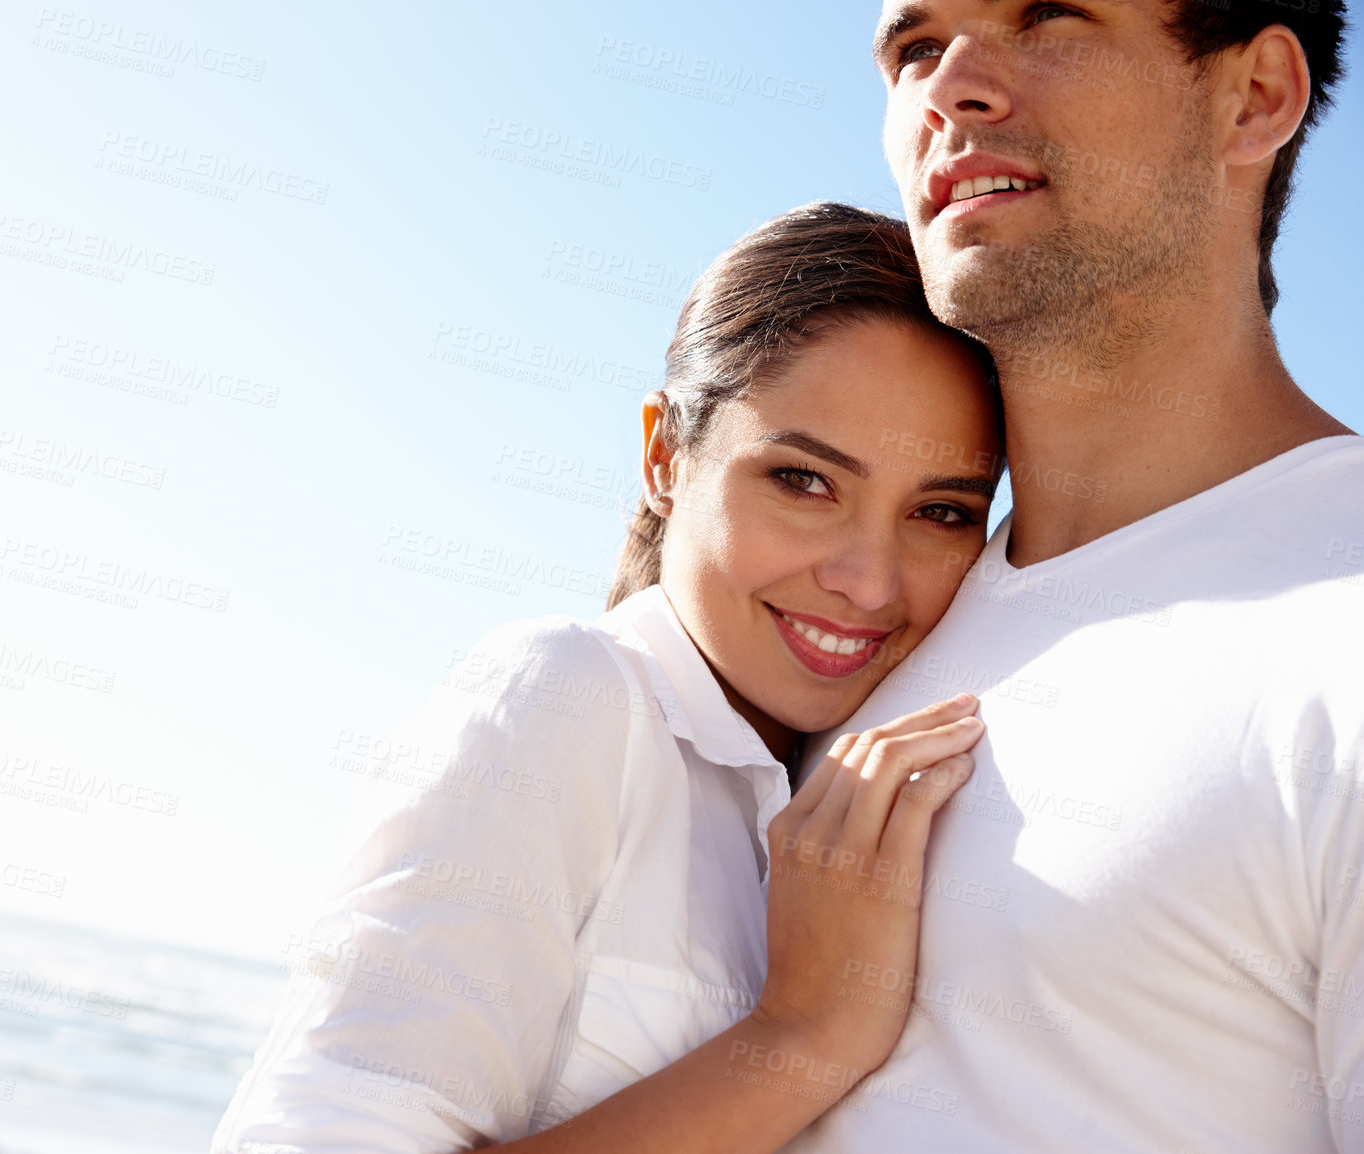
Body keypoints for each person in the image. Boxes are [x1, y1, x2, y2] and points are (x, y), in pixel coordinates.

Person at [210, 203, 1006, 1153]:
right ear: (665, 456)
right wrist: (801, 1037)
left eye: (942, 513)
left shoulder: (848, 789)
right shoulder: (565, 697)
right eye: (803, 481)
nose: (868, 582)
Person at [785, 3, 1361, 1151]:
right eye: (911, 50)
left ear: (1253, 99)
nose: (950, 87)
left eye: (1047, 19)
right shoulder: (845, 628)